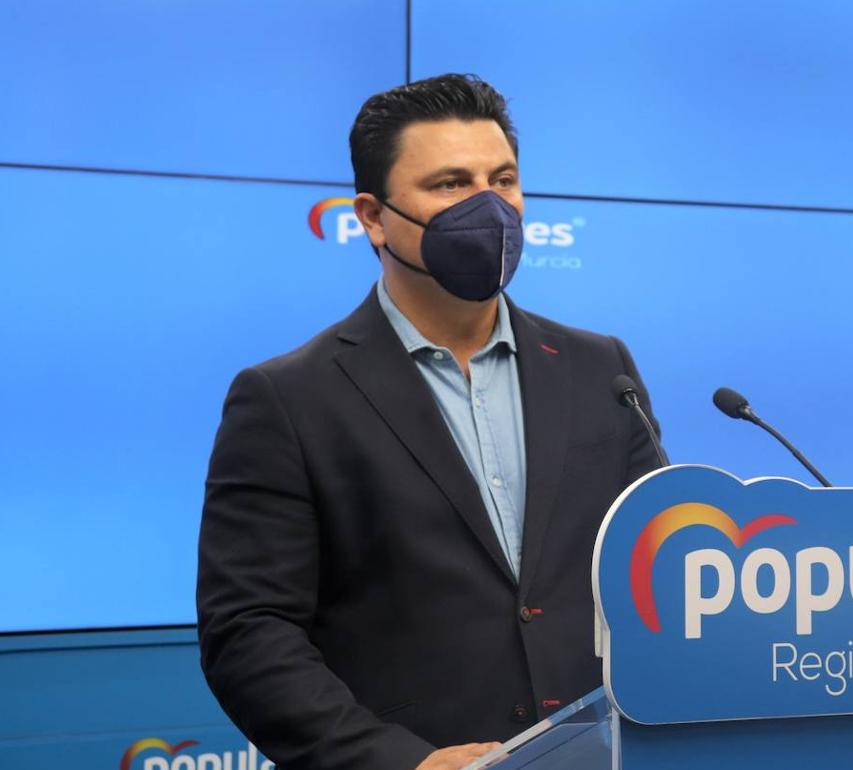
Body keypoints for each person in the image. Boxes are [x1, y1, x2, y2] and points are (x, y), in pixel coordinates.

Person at [196, 74, 662, 770]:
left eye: (502, 180)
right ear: (372, 217)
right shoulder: (287, 398)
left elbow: (654, 568)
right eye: (450, 184)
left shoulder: (601, 369)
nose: (488, 206)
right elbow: (249, 632)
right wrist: (399, 762)